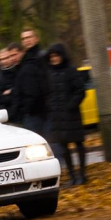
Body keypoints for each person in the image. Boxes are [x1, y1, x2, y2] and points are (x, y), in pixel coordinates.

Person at [46, 43, 87, 186]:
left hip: (72, 114)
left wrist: (71, 105)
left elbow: (80, 90)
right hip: (57, 116)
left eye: (56, 56)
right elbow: (48, 93)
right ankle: (72, 176)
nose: (54, 59)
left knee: (78, 144)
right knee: (64, 147)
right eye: (51, 56)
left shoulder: (71, 70)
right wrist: (51, 105)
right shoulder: (49, 73)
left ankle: (82, 174)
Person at [10, 28, 49, 137]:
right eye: (23, 38)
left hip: (43, 111)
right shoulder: (24, 60)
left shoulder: (43, 56)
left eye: (29, 37)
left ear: (36, 38)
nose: (26, 40)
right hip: (32, 112)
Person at [0, 48, 19, 123]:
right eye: (1, 59)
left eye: (6, 58)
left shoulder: (19, 71)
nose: (3, 61)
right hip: (9, 117)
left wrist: (11, 91)